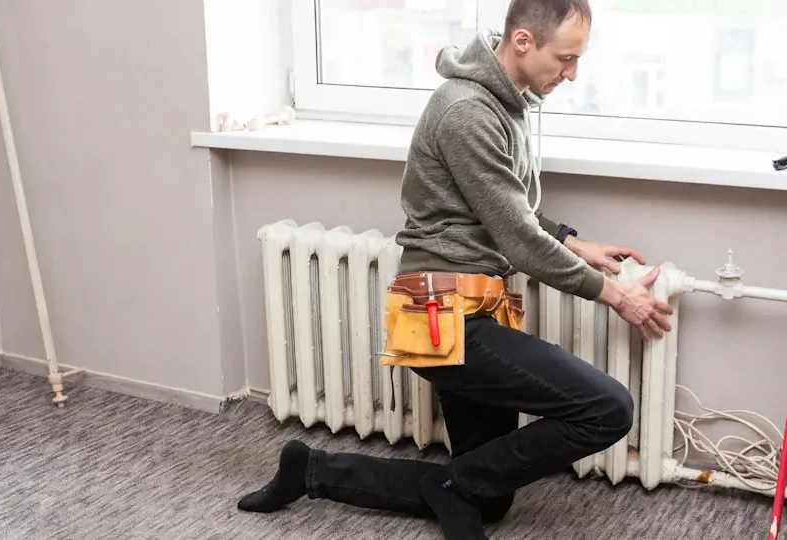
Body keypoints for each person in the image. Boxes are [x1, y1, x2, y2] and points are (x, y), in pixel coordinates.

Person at [236, 1, 673, 538]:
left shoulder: (505, 104)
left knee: (484, 495)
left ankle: (310, 469)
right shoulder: (467, 110)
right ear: (521, 42)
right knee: (608, 408)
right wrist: (617, 295)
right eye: (565, 58)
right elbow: (516, 236)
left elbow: (506, 206)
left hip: (480, 301)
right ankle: (447, 486)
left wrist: (576, 243)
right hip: (439, 310)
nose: (572, 73)